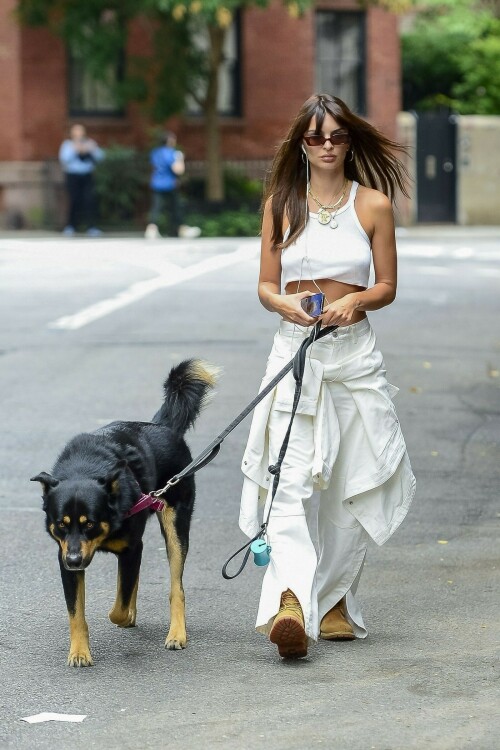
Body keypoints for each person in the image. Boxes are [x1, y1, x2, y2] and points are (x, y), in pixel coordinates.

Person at [239, 94, 416, 660]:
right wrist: (282, 307)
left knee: (347, 483)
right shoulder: (280, 204)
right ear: (301, 144)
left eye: (337, 136)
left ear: (350, 141)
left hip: (353, 355)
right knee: (286, 480)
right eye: (315, 138)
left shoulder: (374, 206)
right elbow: (266, 285)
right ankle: (291, 600)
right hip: (294, 353)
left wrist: (358, 301)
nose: (327, 146)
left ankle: (334, 600)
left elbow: (387, 285)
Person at [145, 131, 200, 240]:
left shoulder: (155, 152)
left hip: (157, 183)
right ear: (170, 141)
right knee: (176, 207)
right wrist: (180, 158)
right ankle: (181, 229)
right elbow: (178, 170)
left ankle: (151, 229)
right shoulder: (171, 153)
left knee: (156, 207)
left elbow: (153, 167)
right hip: (169, 184)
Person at [59, 124, 104, 236]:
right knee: (74, 200)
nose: (79, 134)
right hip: (73, 175)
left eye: (80, 131)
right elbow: (64, 159)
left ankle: (91, 227)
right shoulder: (68, 145)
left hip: (87, 175)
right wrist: (75, 149)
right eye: (76, 132)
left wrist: (90, 149)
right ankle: (71, 226)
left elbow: (100, 156)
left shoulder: (89, 143)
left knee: (89, 200)